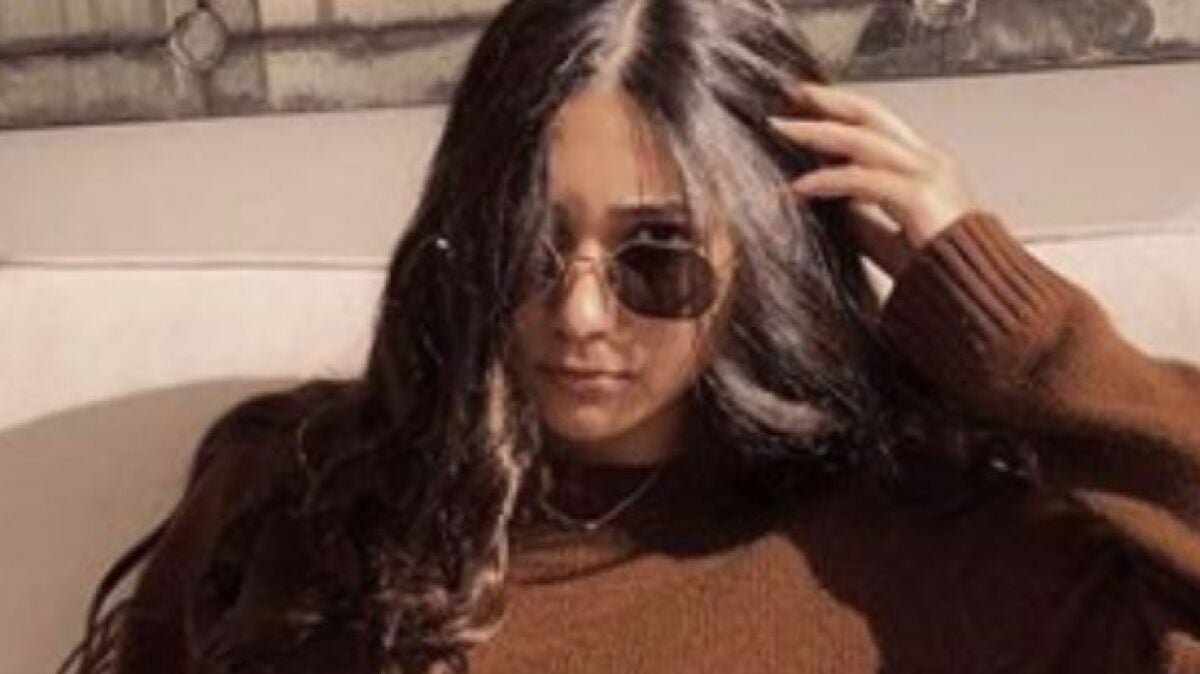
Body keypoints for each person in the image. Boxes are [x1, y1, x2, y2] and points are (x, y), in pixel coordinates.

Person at [62, 0, 1200, 672]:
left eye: (659, 256)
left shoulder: (933, 553)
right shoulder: (304, 493)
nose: (579, 313)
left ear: (763, 253)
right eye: (527, 242)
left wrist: (1004, 320)